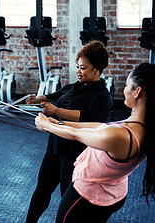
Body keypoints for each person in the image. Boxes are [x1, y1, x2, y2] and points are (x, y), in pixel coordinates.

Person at [34, 62, 155, 222]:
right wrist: (60, 123)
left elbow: (76, 134)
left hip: (88, 196)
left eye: (127, 85)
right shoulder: (143, 125)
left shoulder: (122, 136)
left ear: (137, 91)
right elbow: (100, 126)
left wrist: (47, 125)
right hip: (112, 192)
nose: (124, 90)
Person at [25, 40, 113, 222]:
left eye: (83, 68)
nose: (78, 71)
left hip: (75, 154)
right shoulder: (74, 87)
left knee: (68, 198)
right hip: (56, 146)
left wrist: (56, 112)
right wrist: (36, 99)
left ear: (96, 70)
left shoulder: (102, 96)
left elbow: (91, 118)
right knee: (41, 190)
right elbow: (55, 96)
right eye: (77, 67)